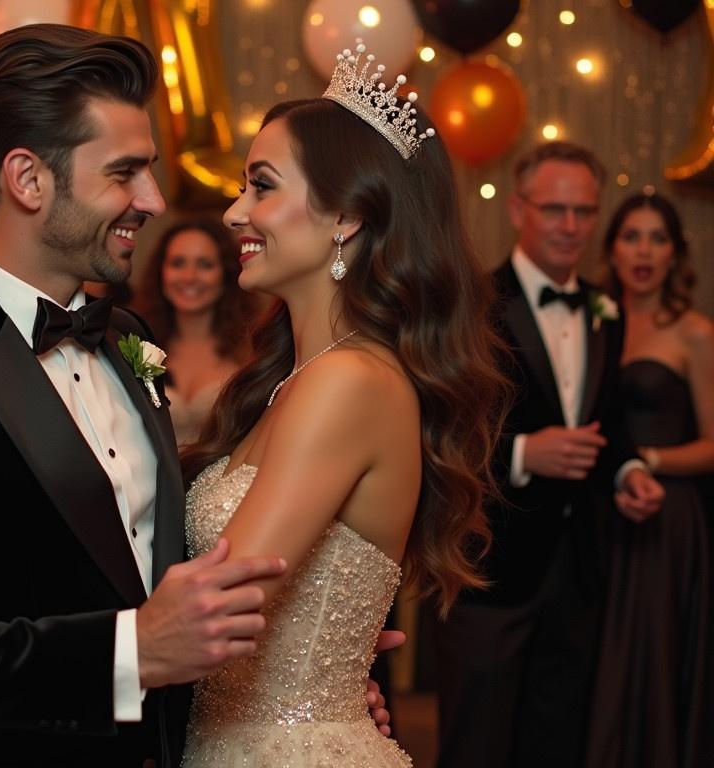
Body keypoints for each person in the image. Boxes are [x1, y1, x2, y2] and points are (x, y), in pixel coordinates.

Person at [0, 25, 406, 768]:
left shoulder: (126, 339)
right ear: (29, 180)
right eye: (125, 173)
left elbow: (151, 561)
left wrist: (308, 677)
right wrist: (128, 654)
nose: (153, 200)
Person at [177, 43, 507, 766]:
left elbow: (220, 603)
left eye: (261, 187)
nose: (235, 212)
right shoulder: (292, 381)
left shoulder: (351, 382)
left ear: (347, 217)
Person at [434, 142, 666, 768]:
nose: (570, 226)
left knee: (558, 739)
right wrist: (524, 453)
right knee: (475, 742)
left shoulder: (603, 310)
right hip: (491, 567)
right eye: (555, 209)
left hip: (581, 567)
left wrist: (629, 469)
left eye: (584, 211)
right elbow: (441, 431)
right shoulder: (474, 304)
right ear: (518, 209)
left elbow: (607, 420)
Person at [586, 192, 714, 768]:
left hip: (667, 519)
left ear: (674, 255)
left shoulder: (694, 333)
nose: (644, 250)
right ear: (611, 249)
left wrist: (644, 462)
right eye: (631, 236)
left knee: (654, 656)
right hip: (596, 515)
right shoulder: (593, 320)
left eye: (657, 238)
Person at [135, 218, 255, 445]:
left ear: (226, 273)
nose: (189, 277)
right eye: (178, 263)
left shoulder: (252, 348)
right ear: (161, 272)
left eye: (205, 265)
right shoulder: (138, 343)